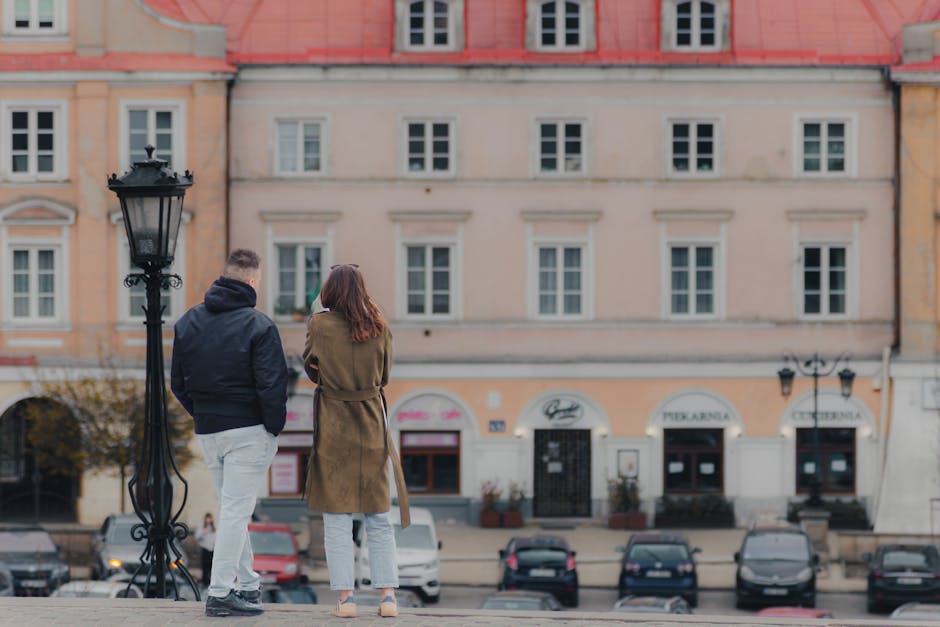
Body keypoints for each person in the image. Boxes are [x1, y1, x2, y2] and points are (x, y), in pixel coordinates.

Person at [171, 248, 287, 618]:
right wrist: (273, 429)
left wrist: (202, 413)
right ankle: (221, 592)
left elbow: (178, 384)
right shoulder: (260, 326)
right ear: (252, 281)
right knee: (236, 511)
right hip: (248, 429)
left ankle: (248, 584)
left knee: (232, 509)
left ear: (225, 277)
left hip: (209, 431)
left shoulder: (187, 322)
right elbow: (272, 387)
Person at [303, 264, 410, 619]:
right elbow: (385, 375)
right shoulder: (379, 326)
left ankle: (346, 601)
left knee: (337, 519)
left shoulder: (319, 325)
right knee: (378, 517)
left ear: (330, 291)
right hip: (371, 424)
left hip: (335, 425)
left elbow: (309, 366)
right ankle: (388, 597)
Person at [195, 513, 216, 588]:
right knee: (205, 566)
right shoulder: (202, 527)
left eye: (210, 518)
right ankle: (205, 583)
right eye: (207, 518)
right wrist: (204, 531)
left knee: (211, 566)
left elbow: (215, 537)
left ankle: (210, 582)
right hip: (205, 549)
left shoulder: (213, 528)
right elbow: (197, 536)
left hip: (212, 549)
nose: (209, 520)